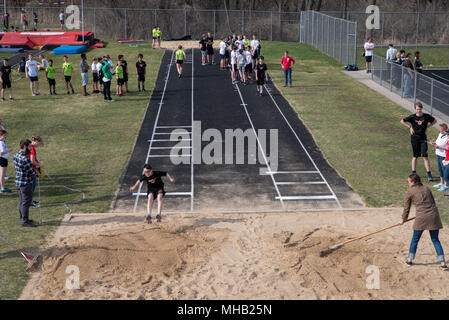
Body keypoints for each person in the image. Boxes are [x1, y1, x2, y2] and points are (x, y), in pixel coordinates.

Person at [401, 174, 448, 270]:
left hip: (421, 218)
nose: (408, 183)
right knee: (435, 239)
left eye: (408, 181)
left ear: (413, 182)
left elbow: (407, 208)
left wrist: (403, 219)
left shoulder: (410, 192)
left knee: (415, 239)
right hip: (434, 216)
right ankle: (443, 263)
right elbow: (433, 203)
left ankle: (410, 260)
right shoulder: (427, 188)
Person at [401, 102, 436, 181]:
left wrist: (428, 126)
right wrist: (409, 127)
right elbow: (402, 121)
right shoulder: (412, 117)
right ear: (415, 109)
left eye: (420, 109)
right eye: (417, 109)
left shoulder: (426, 116)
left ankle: (429, 174)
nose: (418, 111)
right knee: (415, 156)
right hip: (414, 139)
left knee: (425, 156)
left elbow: (435, 121)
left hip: (423, 139)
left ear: (421, 109)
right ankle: (414, 173)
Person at [13, 139, 39, 228]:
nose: (30, 148)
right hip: (26, 183)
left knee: (21, 202)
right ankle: (24, 221)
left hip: (18, 182)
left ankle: (23, 219)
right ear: (24, 146)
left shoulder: (16, 155)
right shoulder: (25, 159)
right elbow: (31, 172)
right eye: (29, 146)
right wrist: (38, 173)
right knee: (26, 203)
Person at [430, 124, 449, 191]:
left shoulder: (447, 136)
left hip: (444, 156)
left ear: (445, 130)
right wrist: (434, 143)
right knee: (440, 169)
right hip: (438, 153)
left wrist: (438, 146)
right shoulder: (440, 134)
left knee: (445, 171)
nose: (440, 130)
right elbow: (438, 142)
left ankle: (445, 185)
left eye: (441, 129)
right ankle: (441, 183)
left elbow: (446, 147)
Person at [27, 136, 44, 208]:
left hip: (31, 168)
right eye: (40, 144)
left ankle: (31, 199)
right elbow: (32, 161)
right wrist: (39, 166)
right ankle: (29, 201)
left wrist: (38, 163)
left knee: (32, 185)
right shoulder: (32, 149)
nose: (39, 145)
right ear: (37, 142)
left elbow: (34, 160)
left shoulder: (31, 147)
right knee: (32, 185)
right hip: (30, 169)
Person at [0, 129, 12, 193]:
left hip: (3, 159)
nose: (5, 136)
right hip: (2, 159)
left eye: (6, 135)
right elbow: (1, 153)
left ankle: (3, 187)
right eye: (4, 135)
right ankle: (2, 188)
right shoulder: (1, 142)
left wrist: (7, 148)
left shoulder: (2, 142)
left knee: (2, 174)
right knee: (2, 175)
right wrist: (9, 150)